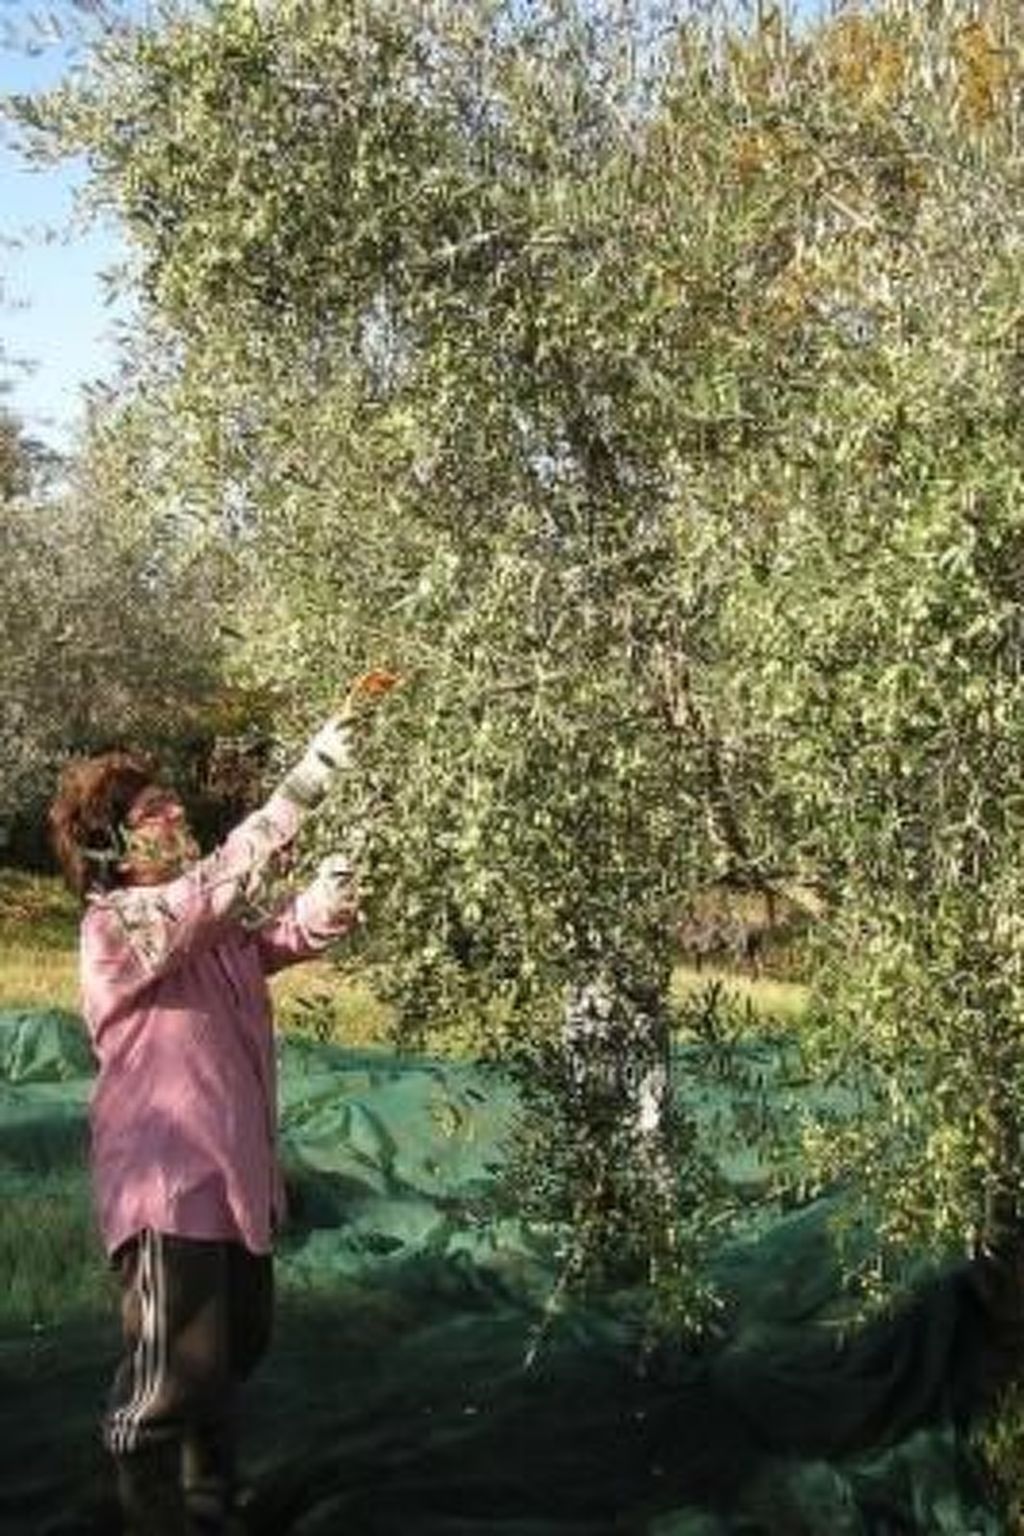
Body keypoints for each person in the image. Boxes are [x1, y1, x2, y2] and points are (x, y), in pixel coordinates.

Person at [49, 704, 368, 1535]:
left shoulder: (204, 923)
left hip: (235, 1176)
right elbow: (212, 892)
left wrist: (326, 901)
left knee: (233, 1353)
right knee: (174, 1376)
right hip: (167, 1181)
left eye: (171, 802)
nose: (178, 812)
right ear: (111, 843)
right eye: (155, 809)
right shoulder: (117, 926)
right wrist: (303, 785)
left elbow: (271, 934)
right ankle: (145, 1501)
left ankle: (208, 1506)